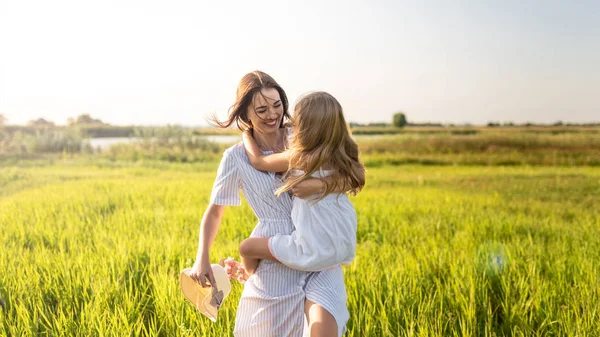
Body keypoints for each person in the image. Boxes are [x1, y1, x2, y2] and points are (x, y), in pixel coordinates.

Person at [188, 71, 349, 337]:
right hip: (273, 258)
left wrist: (318, 188)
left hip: (317, 247)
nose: (272, 114)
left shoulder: (304, 139)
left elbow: (348, 175)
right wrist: (201, 259)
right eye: (261, 109)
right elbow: (215, 212)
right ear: (245, 115)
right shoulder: (235, 158)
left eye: (277, 105)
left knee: (323, 329)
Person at [237, 91, 365, 275]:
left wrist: (246, 135)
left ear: (306, 128)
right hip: (343, 241)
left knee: (247, 247)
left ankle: (248, 276)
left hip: (312, 248)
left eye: (297, 121)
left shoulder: (300, 158)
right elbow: (357, 178)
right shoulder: (342, 152)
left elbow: (259, 161)